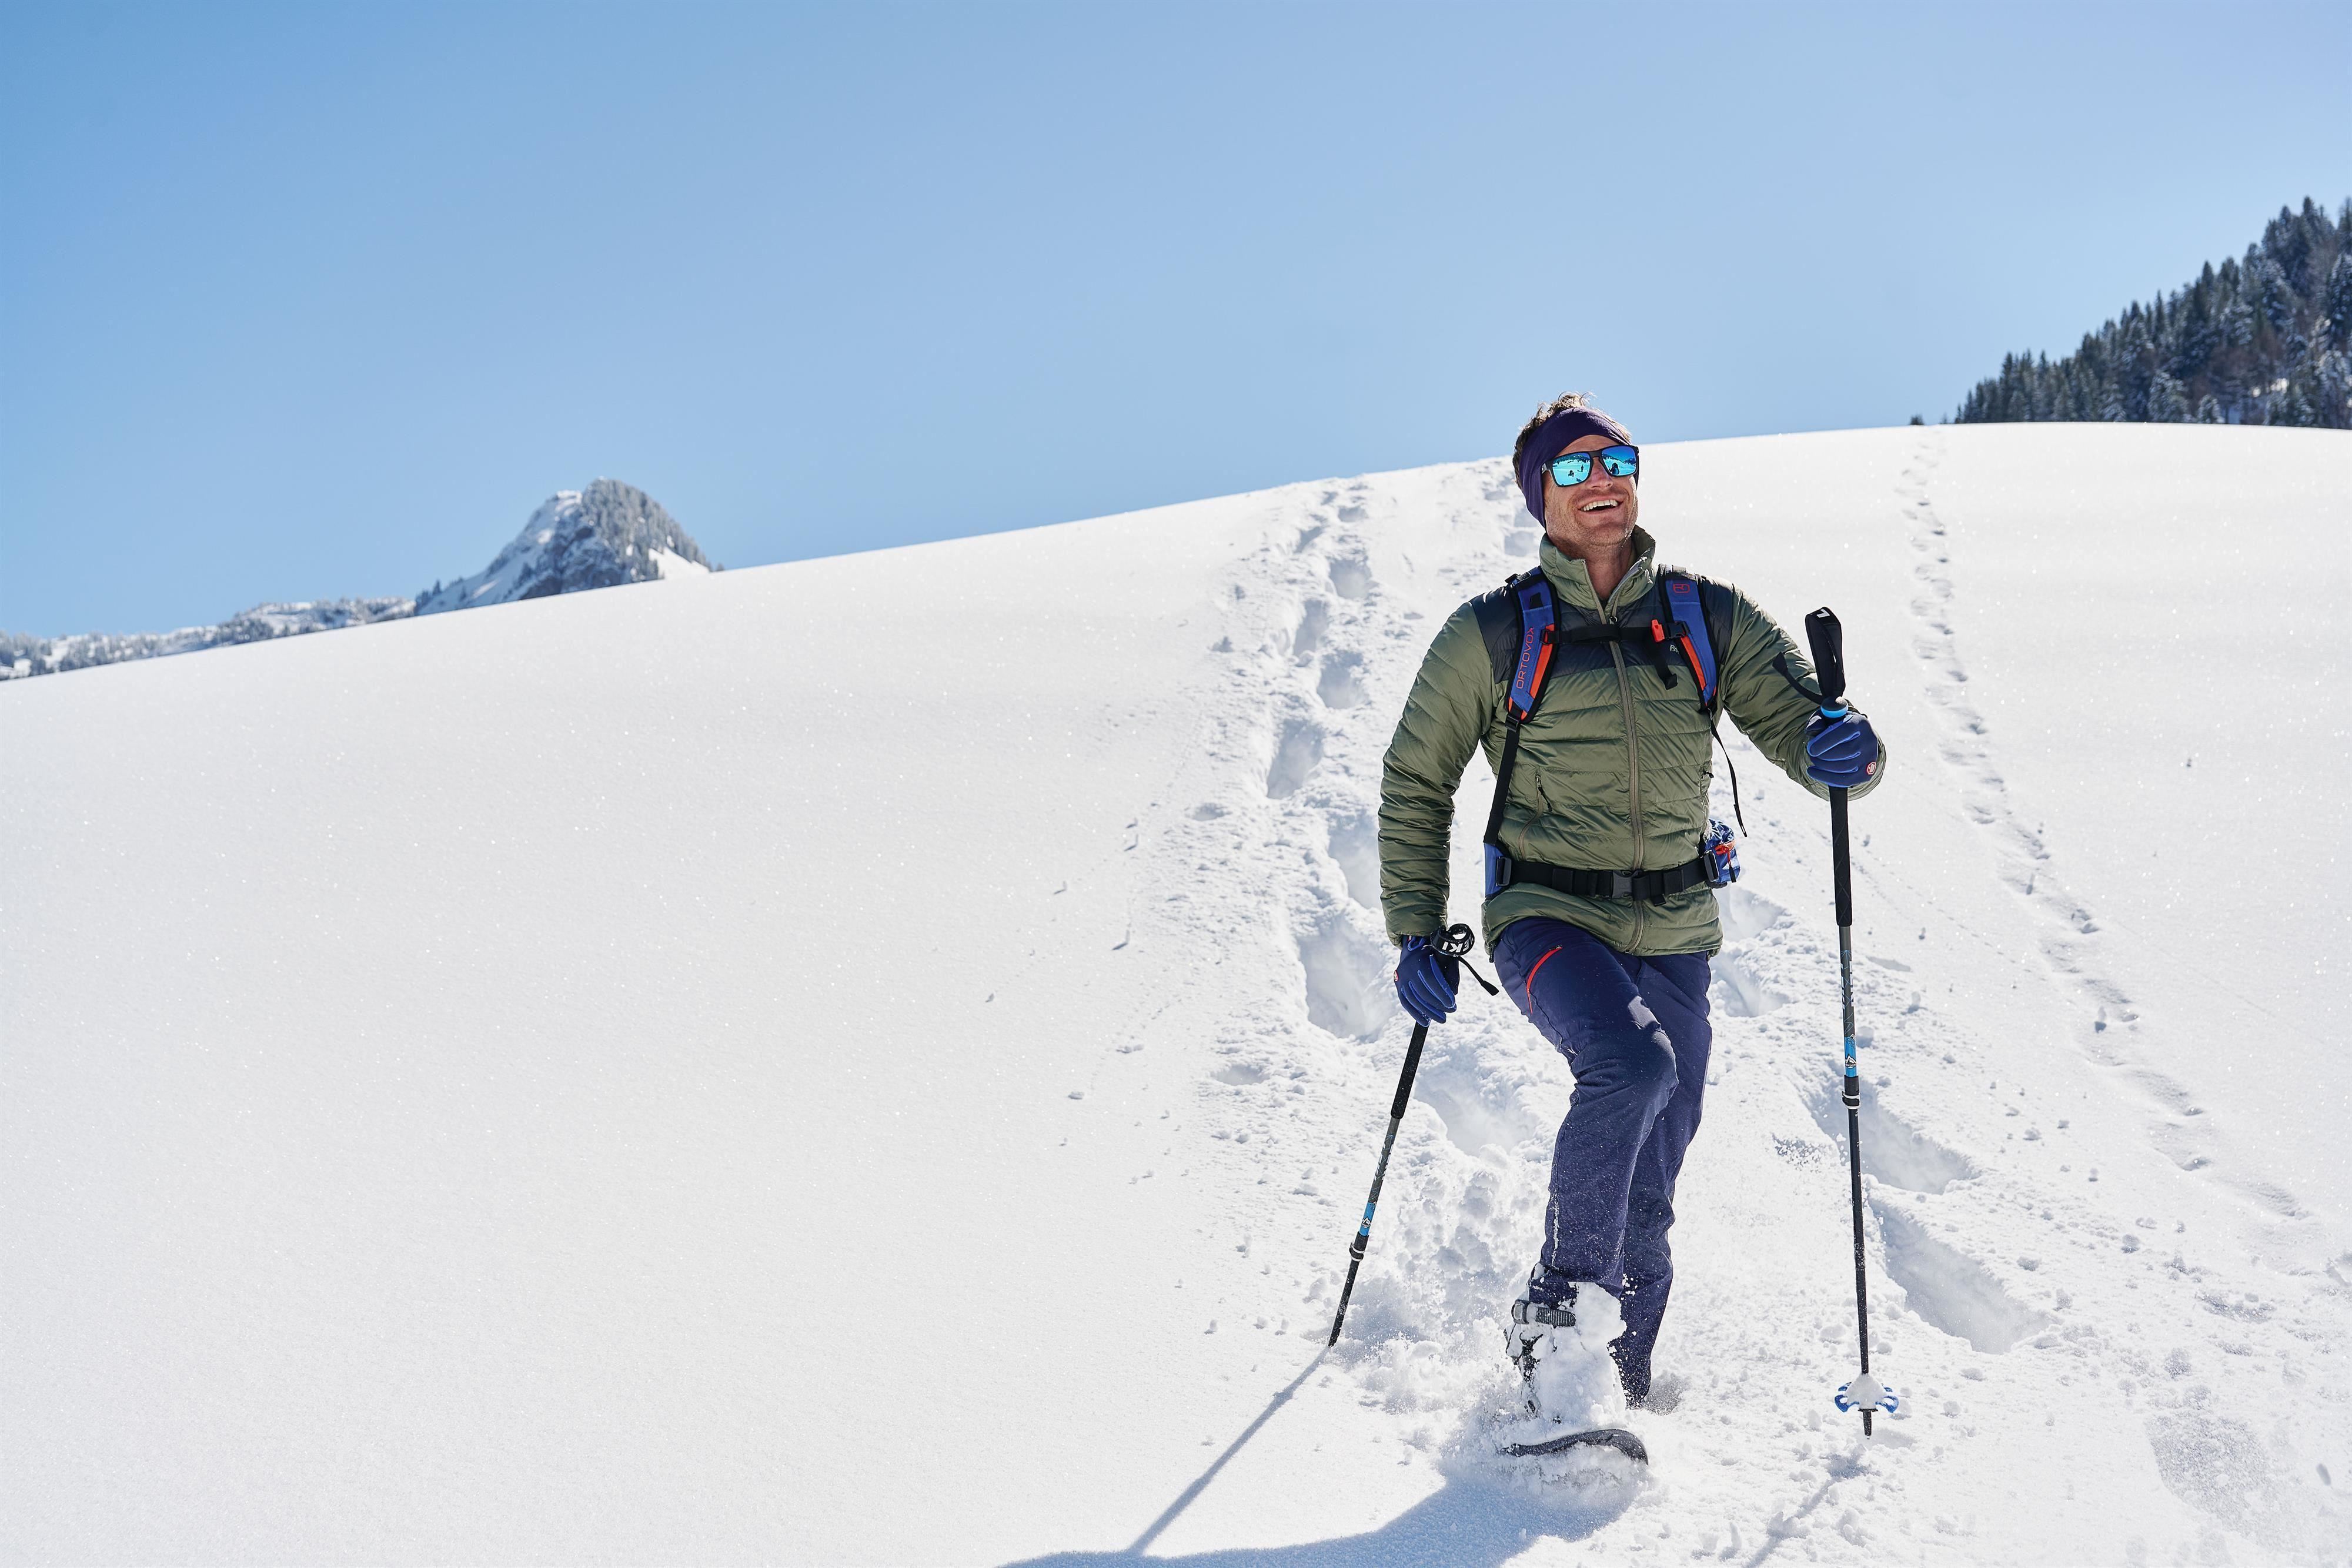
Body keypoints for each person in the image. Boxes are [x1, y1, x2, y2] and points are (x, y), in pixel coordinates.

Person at [1377, 392, 1886, 1415]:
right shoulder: (1492, 632)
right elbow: (1416, 784)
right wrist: (1418, 931)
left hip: (1678, 931)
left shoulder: (1704, 615)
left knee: (1651, 1188)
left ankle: (1613, 1400)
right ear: (1539, 497)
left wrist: (1853, 753)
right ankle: (1557, 1321)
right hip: (1545, 917)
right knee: (1630, 1064)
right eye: (1573, 469)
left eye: (1618, 461)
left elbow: (1808, 734)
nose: (1602, 482)